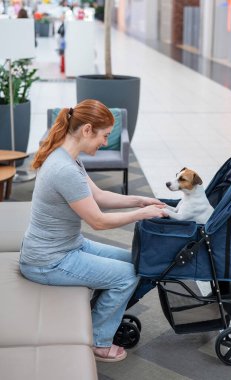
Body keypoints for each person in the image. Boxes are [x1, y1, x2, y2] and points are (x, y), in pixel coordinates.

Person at [19, 99, 167, 362]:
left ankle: (94, 314)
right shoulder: (64, 168)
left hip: (69, 246)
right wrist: (142, 214)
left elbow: (98, 196)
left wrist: (140, 200)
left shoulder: (67, 156)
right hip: (48, 261)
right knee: (127, 276)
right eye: (104, 135)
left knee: (134, 260)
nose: (105, 142)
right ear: (87, 129)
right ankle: (98, 341)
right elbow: (98, 221)